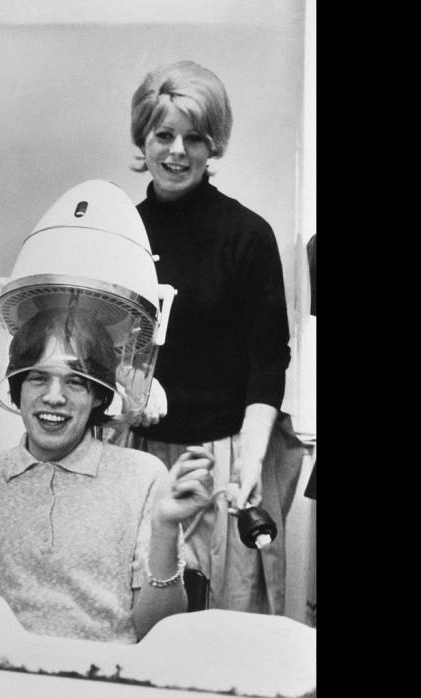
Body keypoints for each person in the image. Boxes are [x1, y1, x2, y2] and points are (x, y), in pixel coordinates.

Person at [114, 60, 305, 615]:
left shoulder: (247, 235)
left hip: (230, 452)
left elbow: (270, 359)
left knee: (229, 622)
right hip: (142, 454)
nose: (177, 151)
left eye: (193, 138)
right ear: (142, 138)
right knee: (141, 612)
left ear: (212, 143)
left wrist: (250, 459)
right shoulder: (119, 233)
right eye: (163, 135)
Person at [0, 308, 217, 643]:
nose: (54, 396)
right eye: (38, 378)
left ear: (99, 396)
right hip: (2, 675)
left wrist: (165, 527)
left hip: (104, 680)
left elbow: (157, 633)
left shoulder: (143, 476)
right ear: (18, 389)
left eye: (75, 381)